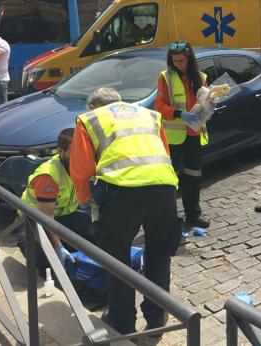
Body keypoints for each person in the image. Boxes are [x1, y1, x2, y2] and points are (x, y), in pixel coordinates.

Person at [70, 87, 181, 335]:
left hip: (121, 191)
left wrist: (87, 203)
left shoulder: (89, 120)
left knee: (116, 260)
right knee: (160, 254)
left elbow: (81, 169)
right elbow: (164, 152)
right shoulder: (149, 115)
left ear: (93, 106)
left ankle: (122, 323)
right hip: (163, 187)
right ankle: (157, 317)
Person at [18, 128, 95, 275]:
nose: (81, 156)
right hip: (35, 220)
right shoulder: (48, 175)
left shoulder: (80, 166)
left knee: (94, 232)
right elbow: (47, 217)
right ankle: (49, 274)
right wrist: (58, 247)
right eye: (75, 152)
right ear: (60, 151)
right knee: (34, 247)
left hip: (64, 215)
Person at [155, 40, 210, 229]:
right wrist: (179, 114)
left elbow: (207, 101)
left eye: (181, 61)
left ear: (189, 60)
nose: (178, 64)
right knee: (171, 179)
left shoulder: (201, 78)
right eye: (175, 61)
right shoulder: (166, 77)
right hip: (174, 138)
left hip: (193, 134)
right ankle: (169, 219)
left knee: (193, 176)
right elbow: (159, 106)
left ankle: (193, 215)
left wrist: (211, 103)